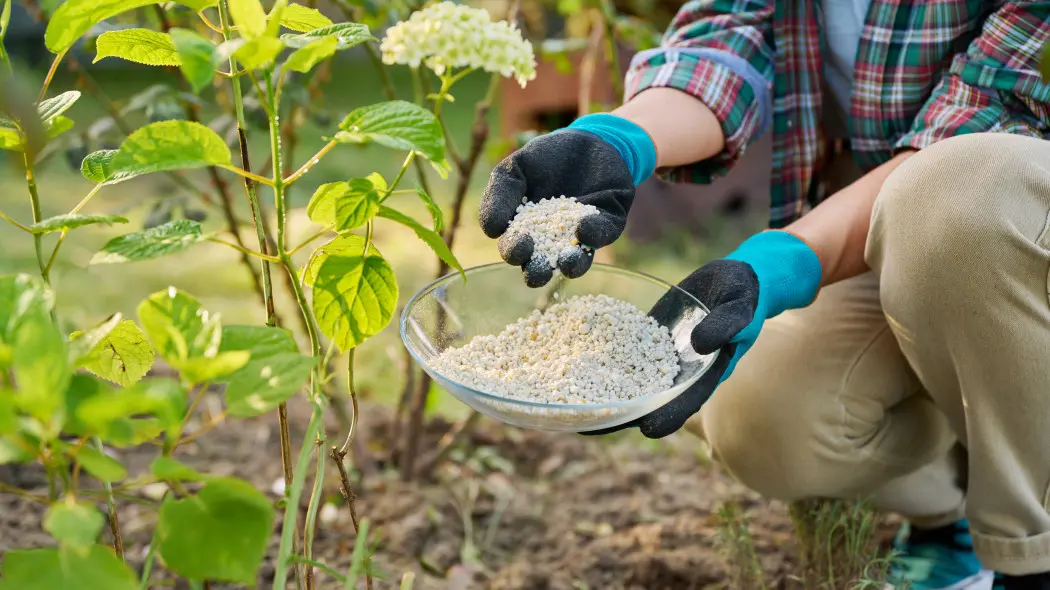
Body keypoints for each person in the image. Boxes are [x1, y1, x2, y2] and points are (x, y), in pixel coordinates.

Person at [478, 0, 1050, 588]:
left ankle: (1033, 556)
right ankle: (953, 512)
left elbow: (989, 114)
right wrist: (619, 140)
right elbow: (729, 34)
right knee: (757, 412)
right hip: (884, 227)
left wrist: (778, 264)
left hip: (1010, 220)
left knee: (959, 193)